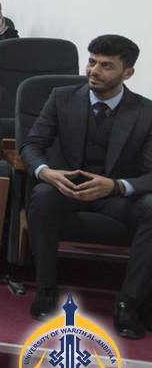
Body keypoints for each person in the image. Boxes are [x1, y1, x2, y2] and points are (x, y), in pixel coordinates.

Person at [21, 35, 152, 338]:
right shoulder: (61, 97)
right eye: (92, 62)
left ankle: (129, 303)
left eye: (106, 66)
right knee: (42, 194)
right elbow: (31, 145)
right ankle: (45, 290)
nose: (94, 70)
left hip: (116, 196)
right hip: (66, 188)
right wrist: (46, 172)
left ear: (128, 72)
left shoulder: (146, 112)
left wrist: (117, 186)